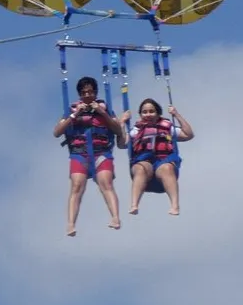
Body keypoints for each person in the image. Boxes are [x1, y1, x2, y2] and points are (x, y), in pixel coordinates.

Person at [53, 76, 126, 236]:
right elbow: (57, 132)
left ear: (96, 93)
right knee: (77, 186)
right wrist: (74, 115)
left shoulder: (105, 109)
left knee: (106, 183)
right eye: (84, 93)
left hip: (101, 152)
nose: (87, 95)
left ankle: (115, 218)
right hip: (80, 154)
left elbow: (117, 130)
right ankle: (71, 224)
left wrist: (102, 113)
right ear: (80, 94)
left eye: (90, 92)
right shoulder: (71, 110)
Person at [120, 98, 194, 216]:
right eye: (145, 112)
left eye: (151, 111)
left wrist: (177, 115)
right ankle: (134, 205)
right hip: (144, 162)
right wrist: (122, 122)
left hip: (163, 161)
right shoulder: (136, 130)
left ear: (158, 113)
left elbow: (189, 134)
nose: (148, 114)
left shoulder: (168, 127)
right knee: (140, 168)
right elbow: (121, 143)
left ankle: (175, 206)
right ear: (140, 114)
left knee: (167, 169)